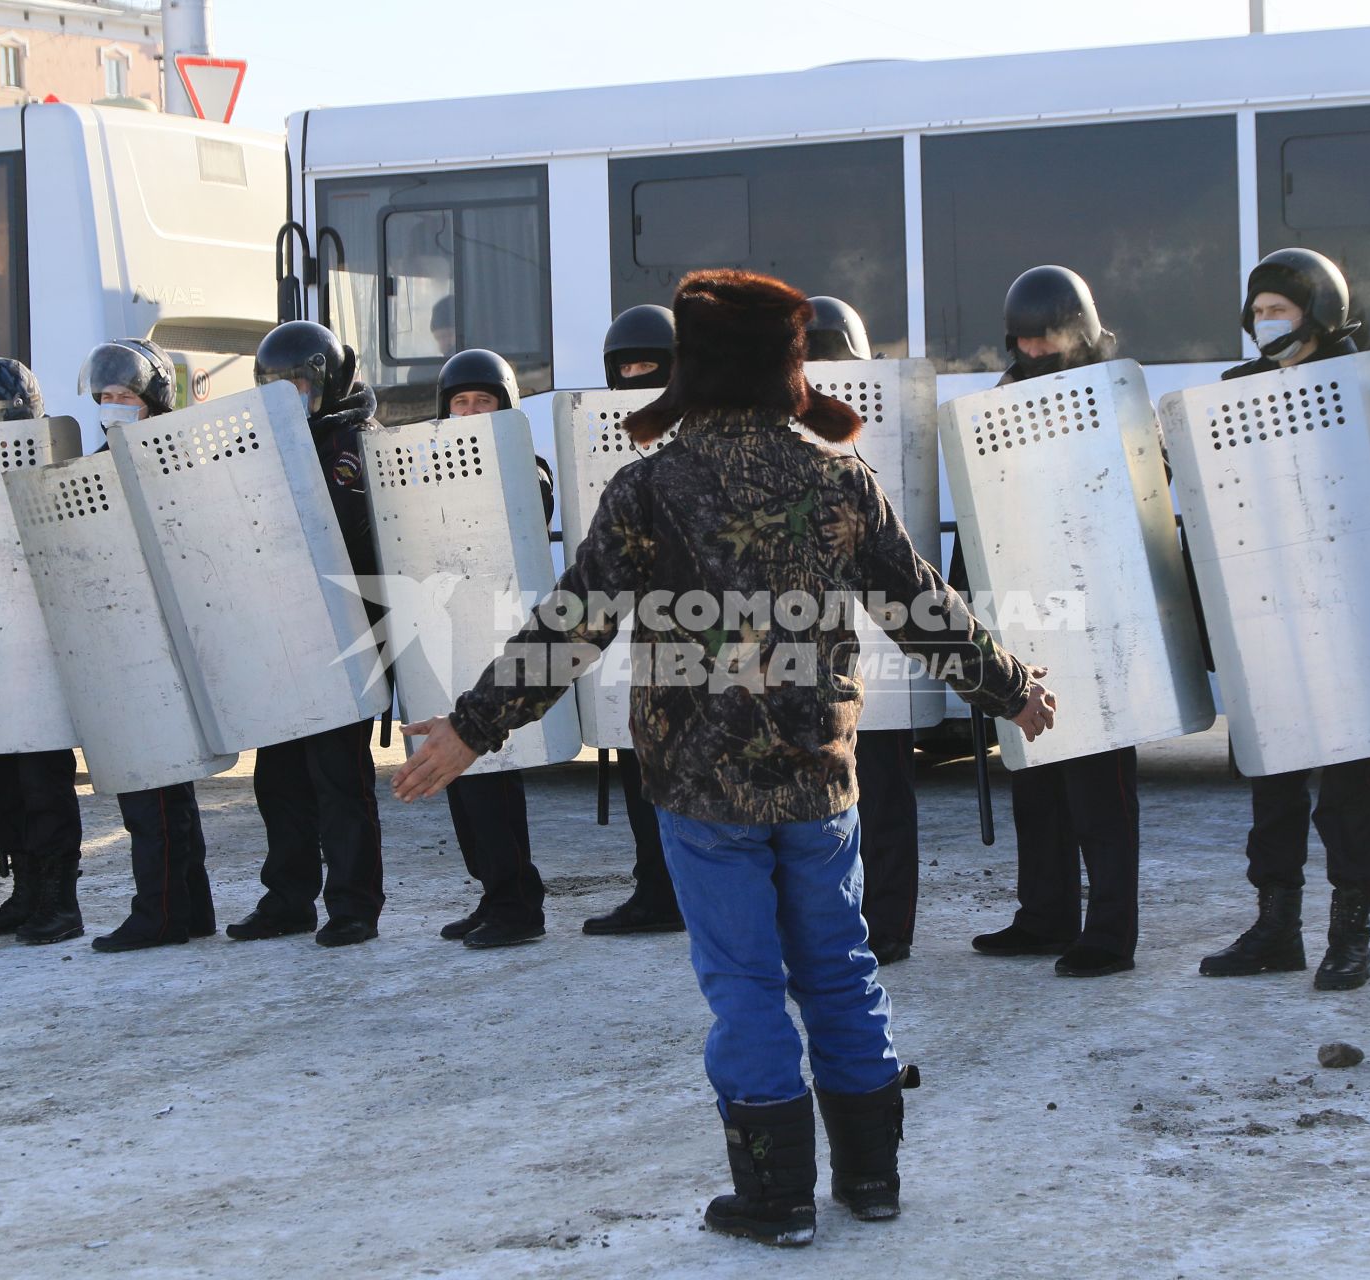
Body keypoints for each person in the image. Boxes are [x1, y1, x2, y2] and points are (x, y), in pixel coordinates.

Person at [392, 270, 1057, 1246]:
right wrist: (1010, 687)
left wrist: (470, 727)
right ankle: (870, 1177)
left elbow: (568, 623)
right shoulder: (838, 476)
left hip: (704, 793)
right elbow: (925, 608)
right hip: (821, 778)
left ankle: (776, 1192)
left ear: (694, 368)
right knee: (840, 966)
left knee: (745, 980)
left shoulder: (654, 485)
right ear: (790, 367)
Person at [1196, 248, 1370, 992]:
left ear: (1321, 313)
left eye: (1283, 309)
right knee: (1271, 784)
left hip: (1344, 618)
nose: (1268, 322)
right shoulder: (1236, 391)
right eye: (1261, 310)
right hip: (1263, 614)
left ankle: (1351, 933)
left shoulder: (1357, 383)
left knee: (1346, 790)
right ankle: (1277, 927)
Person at [964, 266, 1140, 978]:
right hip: (1023, 610)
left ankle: (1109, 933)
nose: (1035, 352)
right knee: (1033, 778)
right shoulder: (1001, 399)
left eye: (1047, 339)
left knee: (1100, 791)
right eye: (1024, 341)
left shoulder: (1113, 396)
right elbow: (979, 498)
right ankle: (1044, 916)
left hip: (1099, 614)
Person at [229, 321, 385, 948]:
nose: (290, 395)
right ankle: (288, 896)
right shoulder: (257, 444)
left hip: (340, 632)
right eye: (276, 385)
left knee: (338, 779)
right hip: (280, 631)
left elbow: (353, 529)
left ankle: (352, 904)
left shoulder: (354, 444)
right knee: (279, 779)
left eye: (300, 383)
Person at [75, 339, 219, 952]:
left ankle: (158, 912)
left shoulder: (171, 461)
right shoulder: (100, 461)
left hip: (161, 640)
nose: (113, 408)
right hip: (121, 635)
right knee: (166, 786)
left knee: (153, 784)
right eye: (105, 398)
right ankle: (189, 907)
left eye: (125, 397)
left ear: (153, 402)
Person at [0, 359, 89, 947]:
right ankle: (26, 887)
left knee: (42, 785)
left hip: (42, 656)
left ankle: (60, 898)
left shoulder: (52, 466)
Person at [802, 295, 919, 965]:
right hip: (819, 654)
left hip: (882, 633)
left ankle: (890, 925)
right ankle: (836, 926)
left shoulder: (884, 420)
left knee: (886, 790)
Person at [425, 347, 551, 948]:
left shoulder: (530, 463)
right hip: (447, 635)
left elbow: (536, 505)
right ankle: (493, 891)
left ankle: (517, 903)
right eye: (461, 403)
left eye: (485, 401)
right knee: (463, 781)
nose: (472, 412)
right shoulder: (423, 465)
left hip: (499, 641)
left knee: (493, 774)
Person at [582, 306, 685, 935]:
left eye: (650, 366)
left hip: (693, 632)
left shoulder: (697, 436)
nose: (636, 378)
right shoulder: (596, 426)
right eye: (627, 368)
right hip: (626, 624)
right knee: (635, 761)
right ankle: (656, 891)